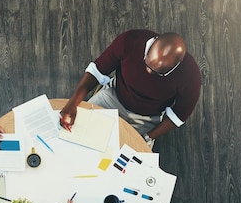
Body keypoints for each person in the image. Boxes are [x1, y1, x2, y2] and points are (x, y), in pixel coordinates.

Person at [60, 30, 201, 147]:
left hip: (146, 118)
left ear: (176, 66)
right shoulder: (129, 41)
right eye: (147, 64)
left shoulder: (191, 76)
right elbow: (97, 71)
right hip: (113, 97)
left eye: (158, 72)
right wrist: (72, 103)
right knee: (74, 135)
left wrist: (147, 137)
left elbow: (178, 116)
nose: (149, 72)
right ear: (149, 47)